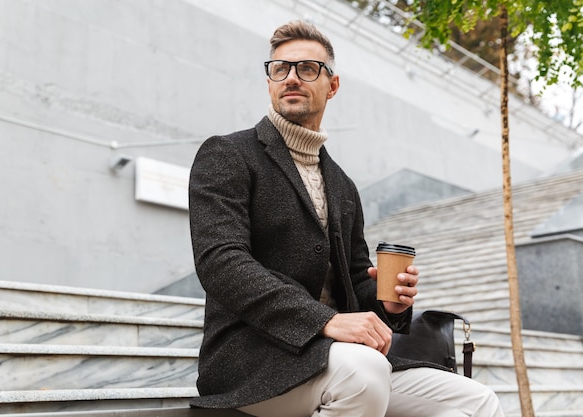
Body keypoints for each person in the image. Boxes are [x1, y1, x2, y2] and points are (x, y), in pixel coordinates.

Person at [188, 20, 504, 417]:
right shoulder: (228, 155)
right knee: (364, 371)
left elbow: (355, 279)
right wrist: (325, 321)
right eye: (279, 69)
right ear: (269, 80)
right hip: (253, 358)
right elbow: (221, 263)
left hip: (335, 356)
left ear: (332, 85)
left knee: (476, 401)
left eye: (307, 69)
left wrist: (390, 303)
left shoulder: (342, 184)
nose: (291, 78)